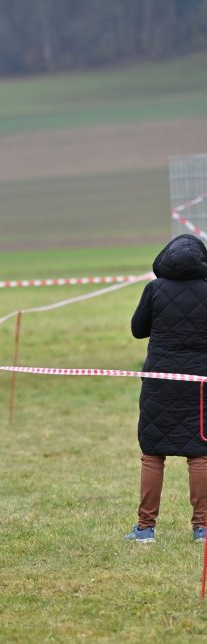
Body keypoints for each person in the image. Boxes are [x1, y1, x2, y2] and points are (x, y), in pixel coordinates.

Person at [125, 233, 207, 544]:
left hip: (159, 380)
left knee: (152, 453)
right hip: (200, 383)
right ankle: (203, 529)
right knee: (200, 454)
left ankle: (145, 529)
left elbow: (138, 330)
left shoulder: (155, 289)